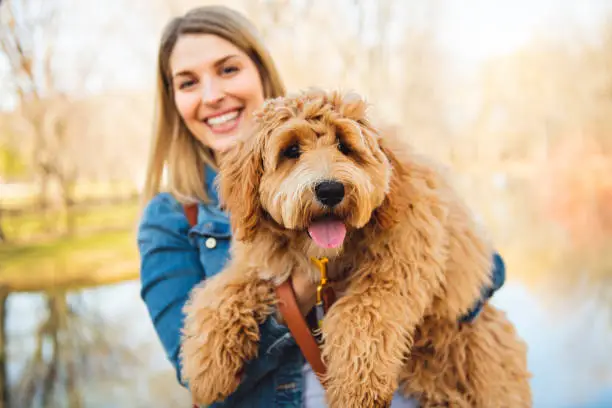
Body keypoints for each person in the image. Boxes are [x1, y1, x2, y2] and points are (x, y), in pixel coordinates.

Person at [137, 5, 506, 408]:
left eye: (228, 69)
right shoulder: (169, 218)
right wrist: (304, 285)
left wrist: (403, 291)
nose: (213, 95)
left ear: (260, 70)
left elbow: (488, 273)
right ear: (173, 98)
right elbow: (197, 379)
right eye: (188, 82)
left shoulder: (369, 140)